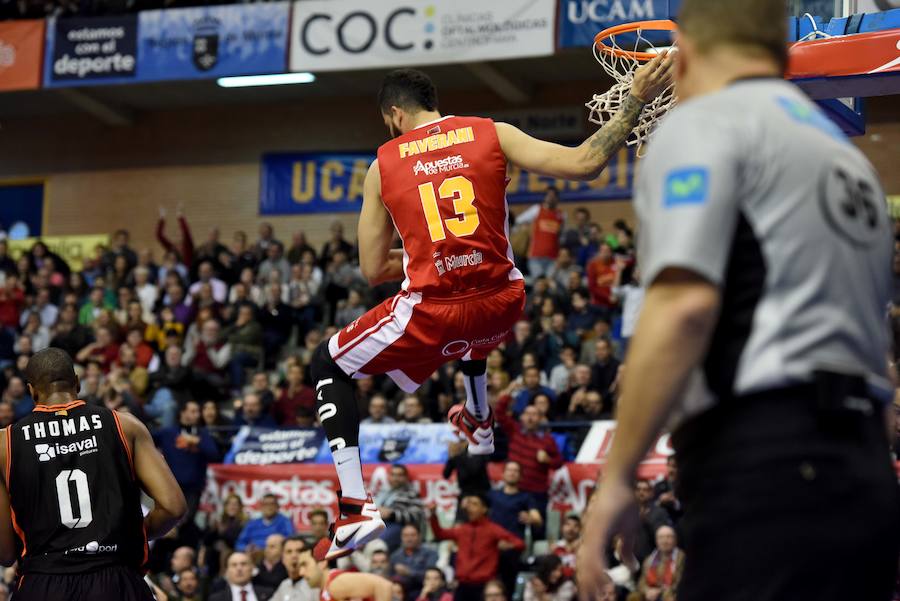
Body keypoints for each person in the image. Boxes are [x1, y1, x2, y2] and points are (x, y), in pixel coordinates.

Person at [576, 1, 900, 600]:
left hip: (766, 464)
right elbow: (877, 359)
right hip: (866, 474)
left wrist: (618, 476)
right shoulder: (847, 165)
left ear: (685, 54)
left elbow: (683, 307)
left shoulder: (707, 124)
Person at [310, 64, 673, 560]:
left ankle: (354, 507)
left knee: (327, 363)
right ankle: (479, 417)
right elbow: (587, 162)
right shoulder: (491, 132)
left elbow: (373, 268)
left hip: (434, 311)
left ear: (395, 114)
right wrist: (634, 97)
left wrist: (424, 254)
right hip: (504, 304)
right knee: (475, 324)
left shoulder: (383, 163)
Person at [0, 347, 186, 600]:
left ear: (32, 390)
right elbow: (174, 508)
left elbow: (5, 552)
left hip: (43, 582)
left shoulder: (5, 444)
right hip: (116, 578)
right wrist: (131, 534)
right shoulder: (124, 425)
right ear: (77, 382)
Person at [428, 493, 524, 601]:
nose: (470, 507)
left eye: (474, 504)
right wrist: (433, 515)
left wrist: (508, 546)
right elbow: (440, 534)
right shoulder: (462, 529)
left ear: (484, 509)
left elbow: (520, 544)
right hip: (463, 586)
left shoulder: (493, 529)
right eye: (469, 504)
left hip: (483, 586)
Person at [296, 547, 392, 601]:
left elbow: (383, 585)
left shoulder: (336, 583)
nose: (301, 572)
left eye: (305, 565)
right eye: (299, 567)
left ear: (322, 563)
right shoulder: (325, 591)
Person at [516, 187, 564, 280]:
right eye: (549, 195)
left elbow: (560, 237)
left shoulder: (561, 215)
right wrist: (524, 228)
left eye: (553, 196)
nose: (551, 198)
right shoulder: (537, 210)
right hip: (535, 256)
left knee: (549, 286)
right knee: (539, 284)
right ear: (545, 197)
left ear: (557, 199)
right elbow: (518, 221)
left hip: (553, 258)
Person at [373, 465, 425, 552]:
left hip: (397, 526)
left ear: (405, 477)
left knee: (376, 544)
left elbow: (416, 515)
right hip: (377, 524)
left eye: (399, 475)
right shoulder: (382, 492)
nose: (395, 478)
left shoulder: (411, 493)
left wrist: (392, 514)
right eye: (393, 475)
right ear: (388, 477)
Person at [627, 526, 684, 601]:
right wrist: (647, 591)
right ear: (656, 541)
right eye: (661, 537)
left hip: (671, 594)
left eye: (668, 537)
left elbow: (681, 583)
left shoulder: (682, 558)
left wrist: (660, 592)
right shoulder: (649, 559)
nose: (664, 541)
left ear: (675, 540)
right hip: (651, 594)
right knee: (633, 597)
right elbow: (642, 582)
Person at [208, 552, 274, 601]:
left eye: (244, 564)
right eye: (234, 565)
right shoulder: (216, 599)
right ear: (227, 571)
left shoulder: (269, 594)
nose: (239, 568)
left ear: (252, 568)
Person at [272, 536, 317, 601]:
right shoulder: (284, 585)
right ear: (282, 559)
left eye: (298, 551)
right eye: (289, 552)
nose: (294, 556)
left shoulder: (314, 584)